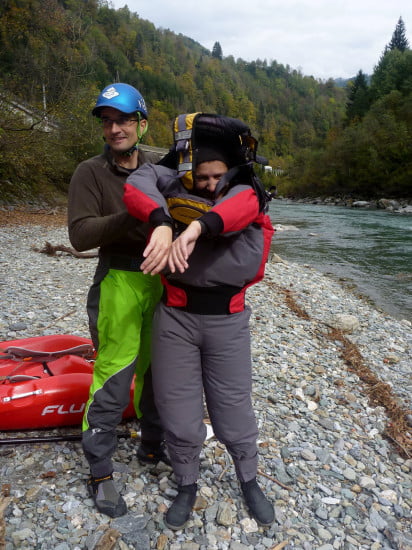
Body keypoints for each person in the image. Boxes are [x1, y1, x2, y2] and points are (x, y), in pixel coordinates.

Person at [123, 114, 275, 530]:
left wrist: (193, 229)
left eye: (217, 176)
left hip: (227, 322)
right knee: (179, 411)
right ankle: (187, 481)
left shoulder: (244, 189)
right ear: (189, 170)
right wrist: (159, 222)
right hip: (176, 319)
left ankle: (249, 479)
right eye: (202, 177)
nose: (210, 184)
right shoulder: (168, 179)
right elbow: (135, 185)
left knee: (233, 411)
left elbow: (241, 206)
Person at [67, 82, 171, 518]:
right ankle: (100, 470)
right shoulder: (89, 172)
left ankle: (151, 446)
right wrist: (138, 208)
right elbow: (79, 235)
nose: (114, 129)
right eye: (107, 122)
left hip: (163, 280)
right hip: (117, 279)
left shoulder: (161, 165)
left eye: (124, 120)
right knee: (113, 374)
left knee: (159, 372)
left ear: (141, 123)